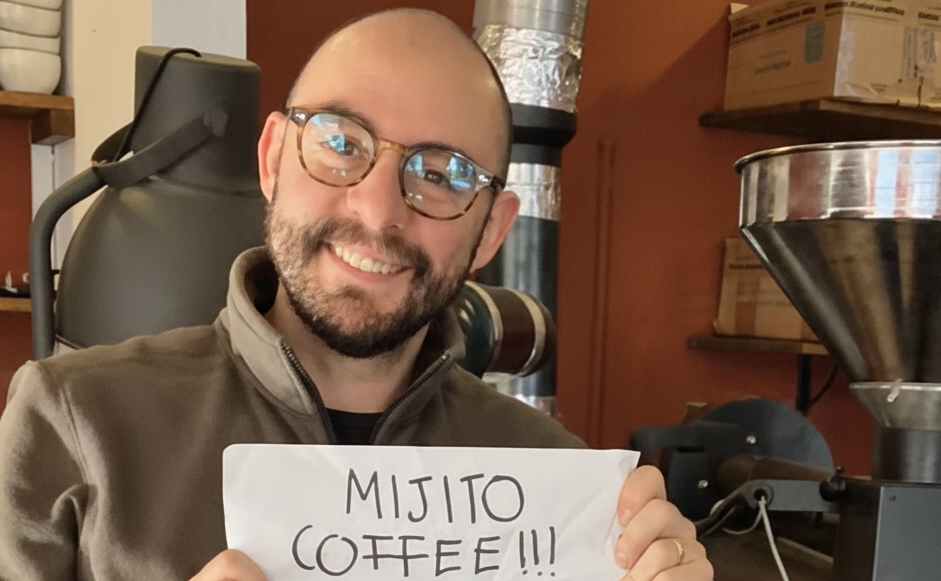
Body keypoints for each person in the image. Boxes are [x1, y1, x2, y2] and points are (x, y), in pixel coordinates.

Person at [0, 8, 713, 581]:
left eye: (444, 173)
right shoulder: (73, 419)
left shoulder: (559, 491)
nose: (377, 212)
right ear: (274, 158)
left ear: (490, 230)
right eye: (341, 143)